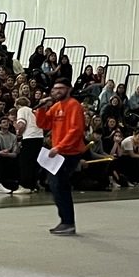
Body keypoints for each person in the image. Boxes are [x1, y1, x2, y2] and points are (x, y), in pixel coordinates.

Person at [35, 79, 86, 235]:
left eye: (61, 88)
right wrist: (42, 109)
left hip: (69, 152)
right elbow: (44, 124)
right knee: (57, 185)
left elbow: (76, 130)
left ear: (68, 89)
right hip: (59, 152)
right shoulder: (56, 106)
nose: (57, 91)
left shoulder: (74, 105)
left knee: (59, 185)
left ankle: (68, 222)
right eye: (55, 89)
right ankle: (66, 221)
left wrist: (59, 147)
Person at [13, 96, 42, 194]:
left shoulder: (21, 110)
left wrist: (18, 132)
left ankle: (24, 186)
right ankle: (32, 185)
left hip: (29, 137)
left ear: (18, 105)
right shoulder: (33, 111)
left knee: (25, 163)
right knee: (34, 163)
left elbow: (21, 124)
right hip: (39, 137)